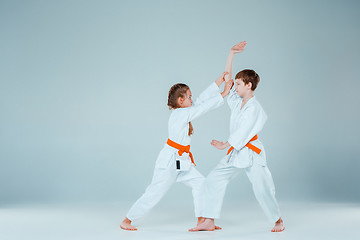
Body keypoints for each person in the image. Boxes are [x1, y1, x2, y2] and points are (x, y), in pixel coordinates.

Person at [189, 41, 285, 232]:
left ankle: (278, 220)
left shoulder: (254, 108)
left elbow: (243, 131)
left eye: (240, 84)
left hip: (252, 153)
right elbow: (228, 80)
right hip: (236, 152)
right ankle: (209, 220)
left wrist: (225, 144)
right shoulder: (237, 101)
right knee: (213, 180)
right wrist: (231, 53)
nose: (236, 87)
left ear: (249, 85)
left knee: (262, 188)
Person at [120, 73, 234, 231]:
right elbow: (202, 108)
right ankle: (127, 220)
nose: (192, 100)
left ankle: (202, 221)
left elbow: (202, 100)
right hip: (169, 163)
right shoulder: (179, 114)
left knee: (201, 184)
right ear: (180, 101)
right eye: (189, 97)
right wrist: (224, 93)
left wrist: (218, 82)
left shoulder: (184, 111)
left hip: (182, 162)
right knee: (154, 192)